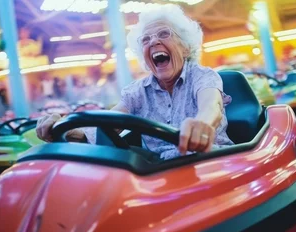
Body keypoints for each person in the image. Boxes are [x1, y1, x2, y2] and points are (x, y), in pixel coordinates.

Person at [36, 4, 234, 160]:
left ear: (185, 48)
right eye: (146, 39)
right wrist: (63, 128)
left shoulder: (203, 76)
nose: (154, 41)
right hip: (163, 171)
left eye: (164, 34)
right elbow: (103, 125)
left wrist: (202, 123)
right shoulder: (139, 91)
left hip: (211, 162)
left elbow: (211, 106)